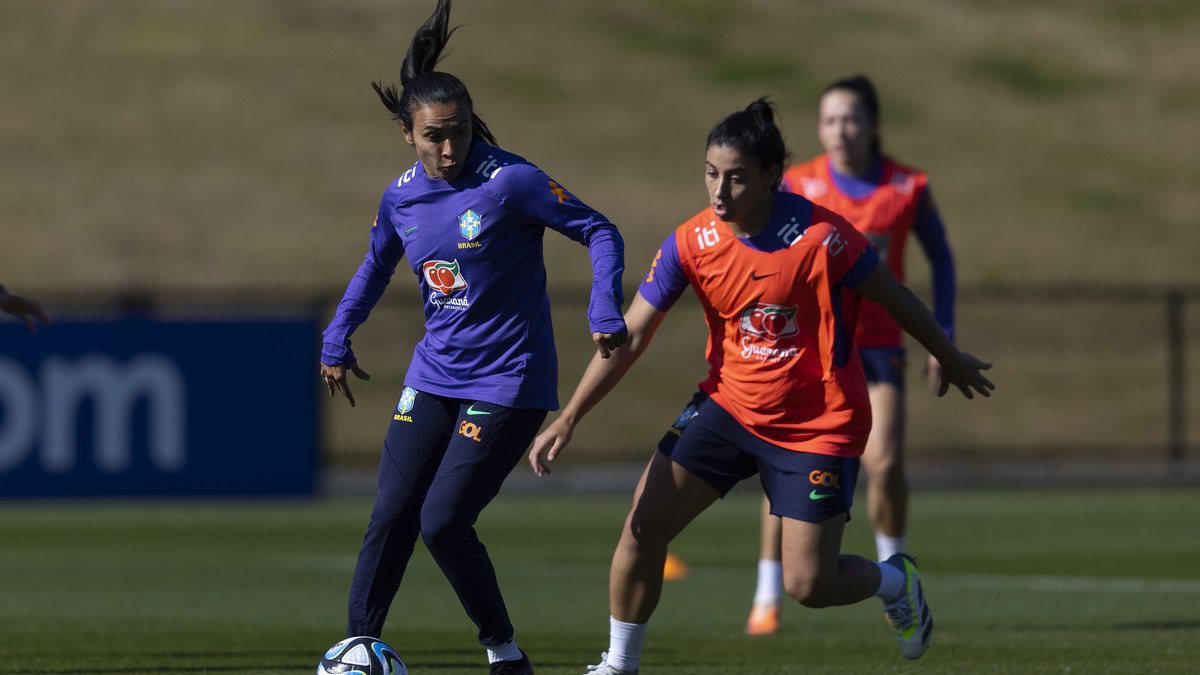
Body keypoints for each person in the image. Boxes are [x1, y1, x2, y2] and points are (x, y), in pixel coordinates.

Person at [529, 99, 993, 674]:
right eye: (710, 172)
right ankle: (618, 666)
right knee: (642, 529)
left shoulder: (823, 237)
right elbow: (632, 335)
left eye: (736, 176)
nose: (719, 191)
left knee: (809, 585)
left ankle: (895, 580)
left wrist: (946, 353)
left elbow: (894, 296)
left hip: (816, 423)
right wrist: (571, 415)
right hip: (727, 407)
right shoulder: (689, 243)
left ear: (773, 176)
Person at [319, 2, 627, 673]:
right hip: (434, 374)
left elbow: (600, 229)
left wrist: (603, 305)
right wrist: (336, 336)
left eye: (459, 132)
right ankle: (356, 651)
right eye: (435, 137)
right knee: (390, 513)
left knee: (442, 522)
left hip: (509, 380)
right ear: (408, 133)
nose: (451, 149)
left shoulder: (510, 180)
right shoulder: (400, 197)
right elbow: (375, 267)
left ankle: (504, 651)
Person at [743, 73, 958, 636]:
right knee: (779, 472)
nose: (842, 129)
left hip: (879, 348)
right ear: (820, 127)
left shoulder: (907, 187)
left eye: (852, 118)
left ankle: (897, 568)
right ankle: (767, 594)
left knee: (885, 462)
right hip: (807, 353)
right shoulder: (800, 185)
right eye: (832, 119)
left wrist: (944, 334)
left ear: (873, 125)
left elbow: (943, 260)